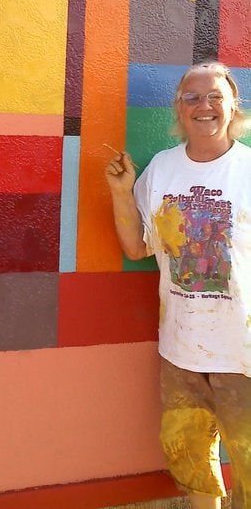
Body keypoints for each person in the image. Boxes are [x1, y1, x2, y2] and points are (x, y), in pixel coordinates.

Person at [105, 61, 251, 509]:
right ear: (180, 108)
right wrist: (121, 191)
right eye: (192, 97)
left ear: (233, 105)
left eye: (215, 96)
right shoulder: (162, 170)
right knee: (190, 461)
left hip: (242, 352)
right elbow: (137, 247)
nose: (204, 105)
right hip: (180, 350)